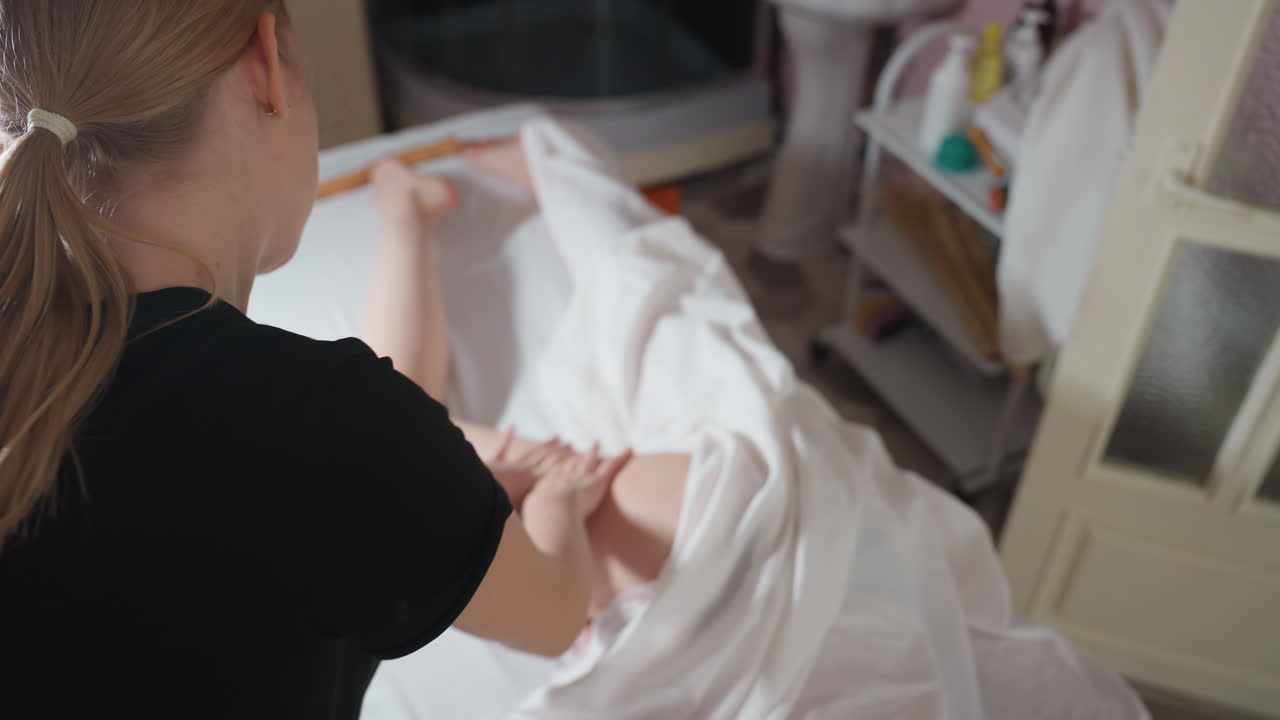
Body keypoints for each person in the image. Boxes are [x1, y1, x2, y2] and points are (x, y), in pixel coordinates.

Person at [0, 3, 626, 717]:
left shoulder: (326, 426)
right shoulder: (329, 430)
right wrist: (559, 501)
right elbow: (554, 616)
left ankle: (404, 213)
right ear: (267, 62)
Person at [365, 159, 692, 618]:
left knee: (392, 426)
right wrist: (548, 496)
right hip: (665, 530)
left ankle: (406, 214)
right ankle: (406, 213)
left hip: (675, 529)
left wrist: (546, 495)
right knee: (392, 427)